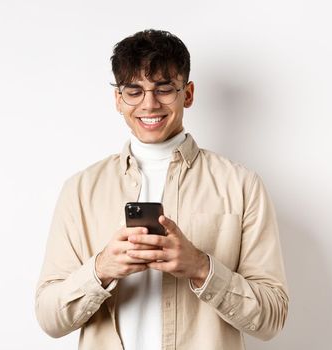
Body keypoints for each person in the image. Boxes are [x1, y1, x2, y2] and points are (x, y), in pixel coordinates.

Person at [34, 29, 288, 349]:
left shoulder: (241, 185)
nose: (149, 104)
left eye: (164, 89)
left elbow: (273, 318)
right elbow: (48, 317)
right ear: (118, 98)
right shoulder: (81, 190)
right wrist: (101, 270)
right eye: (134, 91)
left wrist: (200, 267)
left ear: (188, 93)